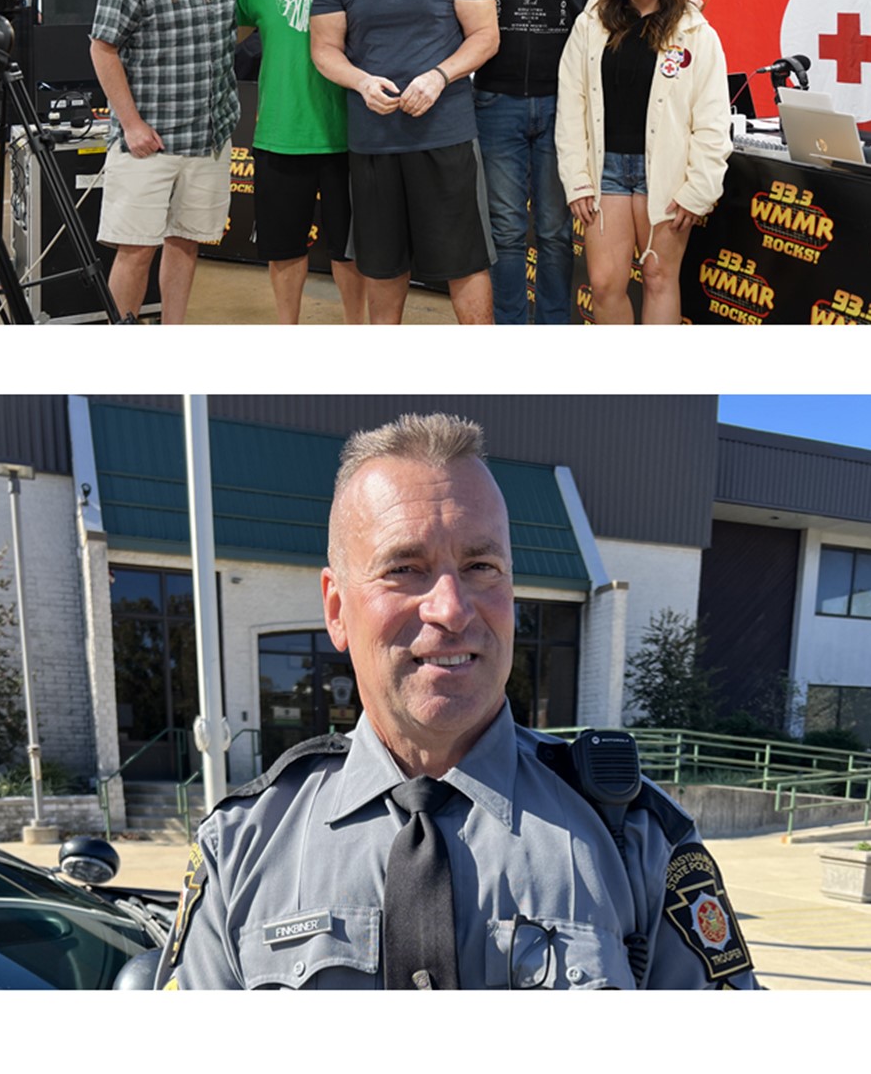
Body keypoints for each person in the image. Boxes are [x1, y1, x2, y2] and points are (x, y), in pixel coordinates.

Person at [161, 414, 760, 990]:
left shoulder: (638, 837)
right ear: (337, 609)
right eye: (404, 568)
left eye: (481, 565)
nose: (451, 608)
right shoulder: (241, 846)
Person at [308, 0, 500, 325]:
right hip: (374, 141)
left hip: (446, 135)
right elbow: (324, 49)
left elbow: (485, 36)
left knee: (465, 260)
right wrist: (361, 81)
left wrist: (439, 76)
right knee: (382, 264)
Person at [444, 0, 620, 325]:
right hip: (494, 101)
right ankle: (511, 330)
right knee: (504, 229)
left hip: (564, 105)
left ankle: (553, 330)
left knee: (554, 230)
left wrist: (677, 4)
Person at [85, 0, 250, 324]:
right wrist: (131, 124)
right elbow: (102, 47)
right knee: (136, 250)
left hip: (208, 140)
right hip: (149, 143)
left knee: (185, 243)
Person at [557, 0, 733, 324]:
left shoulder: (696, 32)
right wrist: (577, 179)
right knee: (604, 283)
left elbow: (712, 118)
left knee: (658, 277)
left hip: (666, 174)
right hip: (605, 171)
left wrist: (698, 190)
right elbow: (571, 105)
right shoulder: (591, 24)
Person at [236, 0, 370, 325]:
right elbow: (229, 37)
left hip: (347, 136)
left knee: (348, 250)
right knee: (284, 248)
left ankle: (357, 332)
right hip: (280, 134)